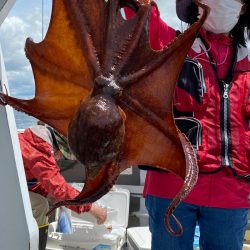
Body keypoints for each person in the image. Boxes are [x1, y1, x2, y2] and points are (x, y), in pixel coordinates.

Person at [127, 0, 250, 249]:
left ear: (244, 8)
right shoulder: (170, 44)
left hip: (232, 192)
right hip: (171, 185)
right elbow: (136, 10)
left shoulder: (247, 64)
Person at [18, 124, 107, 230]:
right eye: (63, 155)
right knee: (40, 204)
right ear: (59, 149)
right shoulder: (38, 149)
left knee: (42, 199)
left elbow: (25, 182)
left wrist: (47, 194)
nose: (59, 158)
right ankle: (36, 244)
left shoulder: (31, 142)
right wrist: (91, 207)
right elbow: (58, 187)